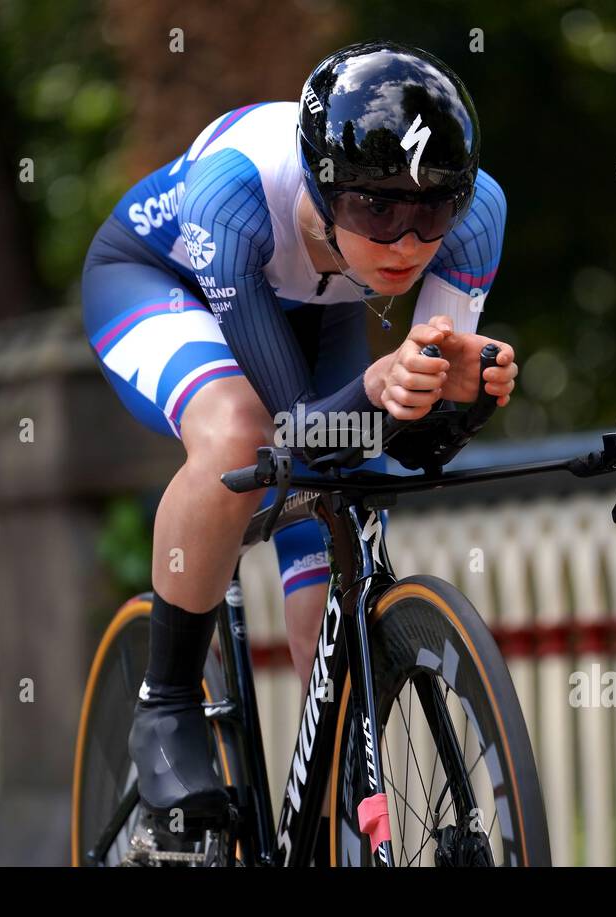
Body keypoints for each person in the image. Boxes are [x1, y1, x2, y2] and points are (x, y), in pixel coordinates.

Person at [81, 39, 518, 863]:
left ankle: (336, 806)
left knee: (339, 535)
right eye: (377, 208)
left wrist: (461, 398)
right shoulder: (236, 197)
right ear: (320, 184)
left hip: (313, 310)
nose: (409, 238)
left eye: (434, 209)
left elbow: (406, 441)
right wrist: (384, 392)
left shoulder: (478, 213)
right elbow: (296, 434)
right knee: (240, 434)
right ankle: (166, 703)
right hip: (161, 280)